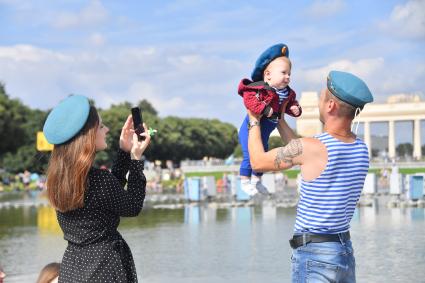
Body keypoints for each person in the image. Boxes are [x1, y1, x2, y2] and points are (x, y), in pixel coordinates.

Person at [247, 70, 373, 282]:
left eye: (321, 98)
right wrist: (279, 120)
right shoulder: (360, 148)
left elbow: (258, 161)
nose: (319, 103)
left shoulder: (313, 147)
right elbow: (303, 150)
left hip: (315, 254)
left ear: (331, 106)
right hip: (343, 251)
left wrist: (253, 119)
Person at [43, 95, 151, 282]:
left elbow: (109, 196)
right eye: (101, 126)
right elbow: (132, 206)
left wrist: (124, 152)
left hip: (73, 269)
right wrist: (135, 159)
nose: (107, 129)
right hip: (104, 268)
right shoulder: (98, 181)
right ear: (87, 136)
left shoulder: (58, 181)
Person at [237, 43, 301, 196]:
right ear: (268, 75)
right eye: (284, 73)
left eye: (289, 74)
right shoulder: (259, 88)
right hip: (250, 130)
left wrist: (295, 110)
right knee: (250, 155)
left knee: (264, 154)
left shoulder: (288, 93)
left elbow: (290, 105)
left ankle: (256, 181)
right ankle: (244, 181)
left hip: (266, 131)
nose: (288, 77)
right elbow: (249, 100)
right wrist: (264, 109)